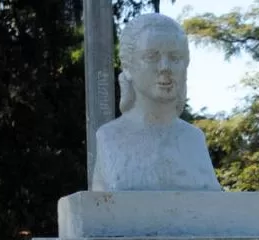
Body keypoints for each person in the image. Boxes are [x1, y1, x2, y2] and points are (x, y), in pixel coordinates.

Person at [91, 13, 221, 192]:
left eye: (175, 58)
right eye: (151, 57)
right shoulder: (110, 137)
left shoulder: (194, 140)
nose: (165, 67)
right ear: (128, 67)